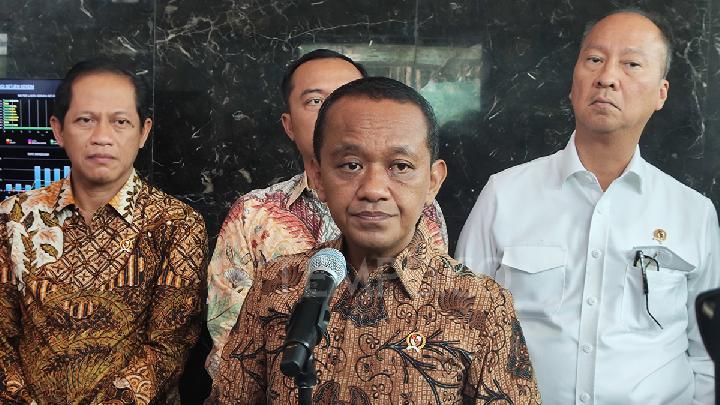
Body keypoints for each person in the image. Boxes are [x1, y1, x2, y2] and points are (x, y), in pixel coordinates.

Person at [207, 77, 540, 404]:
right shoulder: (277, 284)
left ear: (432, 181)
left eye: (400, 166)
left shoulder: (480, 305)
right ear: (319, 177)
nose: (373, 189)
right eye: (351, 165)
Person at [456, 9, 719, 404]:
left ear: (661, 93)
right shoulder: (504, 195)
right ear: (573, 83)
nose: (607, 77)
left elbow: (707, 354)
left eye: (631, 64)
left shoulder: (693, 214)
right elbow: (459, 325)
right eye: (594, 59)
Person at [205, 49, 448, 375]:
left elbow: (438, 312)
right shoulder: (253, 214)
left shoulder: (421, 211)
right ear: (289, 124)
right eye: (316, 101)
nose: (335, 109)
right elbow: (229, 343)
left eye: (349, 93)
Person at [0, 58, 208, 404]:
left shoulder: (176, 224)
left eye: (120, 121)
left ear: (143, 132)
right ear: (58, 130)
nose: (102, 137)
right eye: (85, 120)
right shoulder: (13, 217)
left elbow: (167, 348)